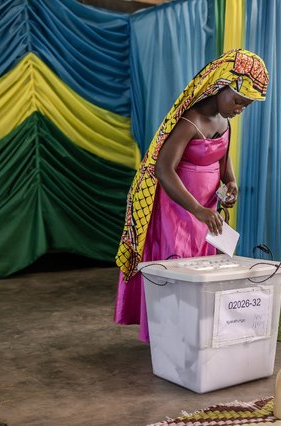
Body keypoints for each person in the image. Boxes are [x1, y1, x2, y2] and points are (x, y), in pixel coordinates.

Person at [114, 49, 269, 342]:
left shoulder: (224, 122)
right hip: (179, 209)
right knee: (178, 267)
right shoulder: (190, 121)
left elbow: (223, 158)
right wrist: (197, 209)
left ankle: (192, 332)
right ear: (220, 85)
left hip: (206, 211)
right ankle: (168, 335)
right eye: (237, 101)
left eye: (245, 106)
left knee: (203, 270)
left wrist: (231, 181)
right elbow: (164, 170)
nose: (239, 109)